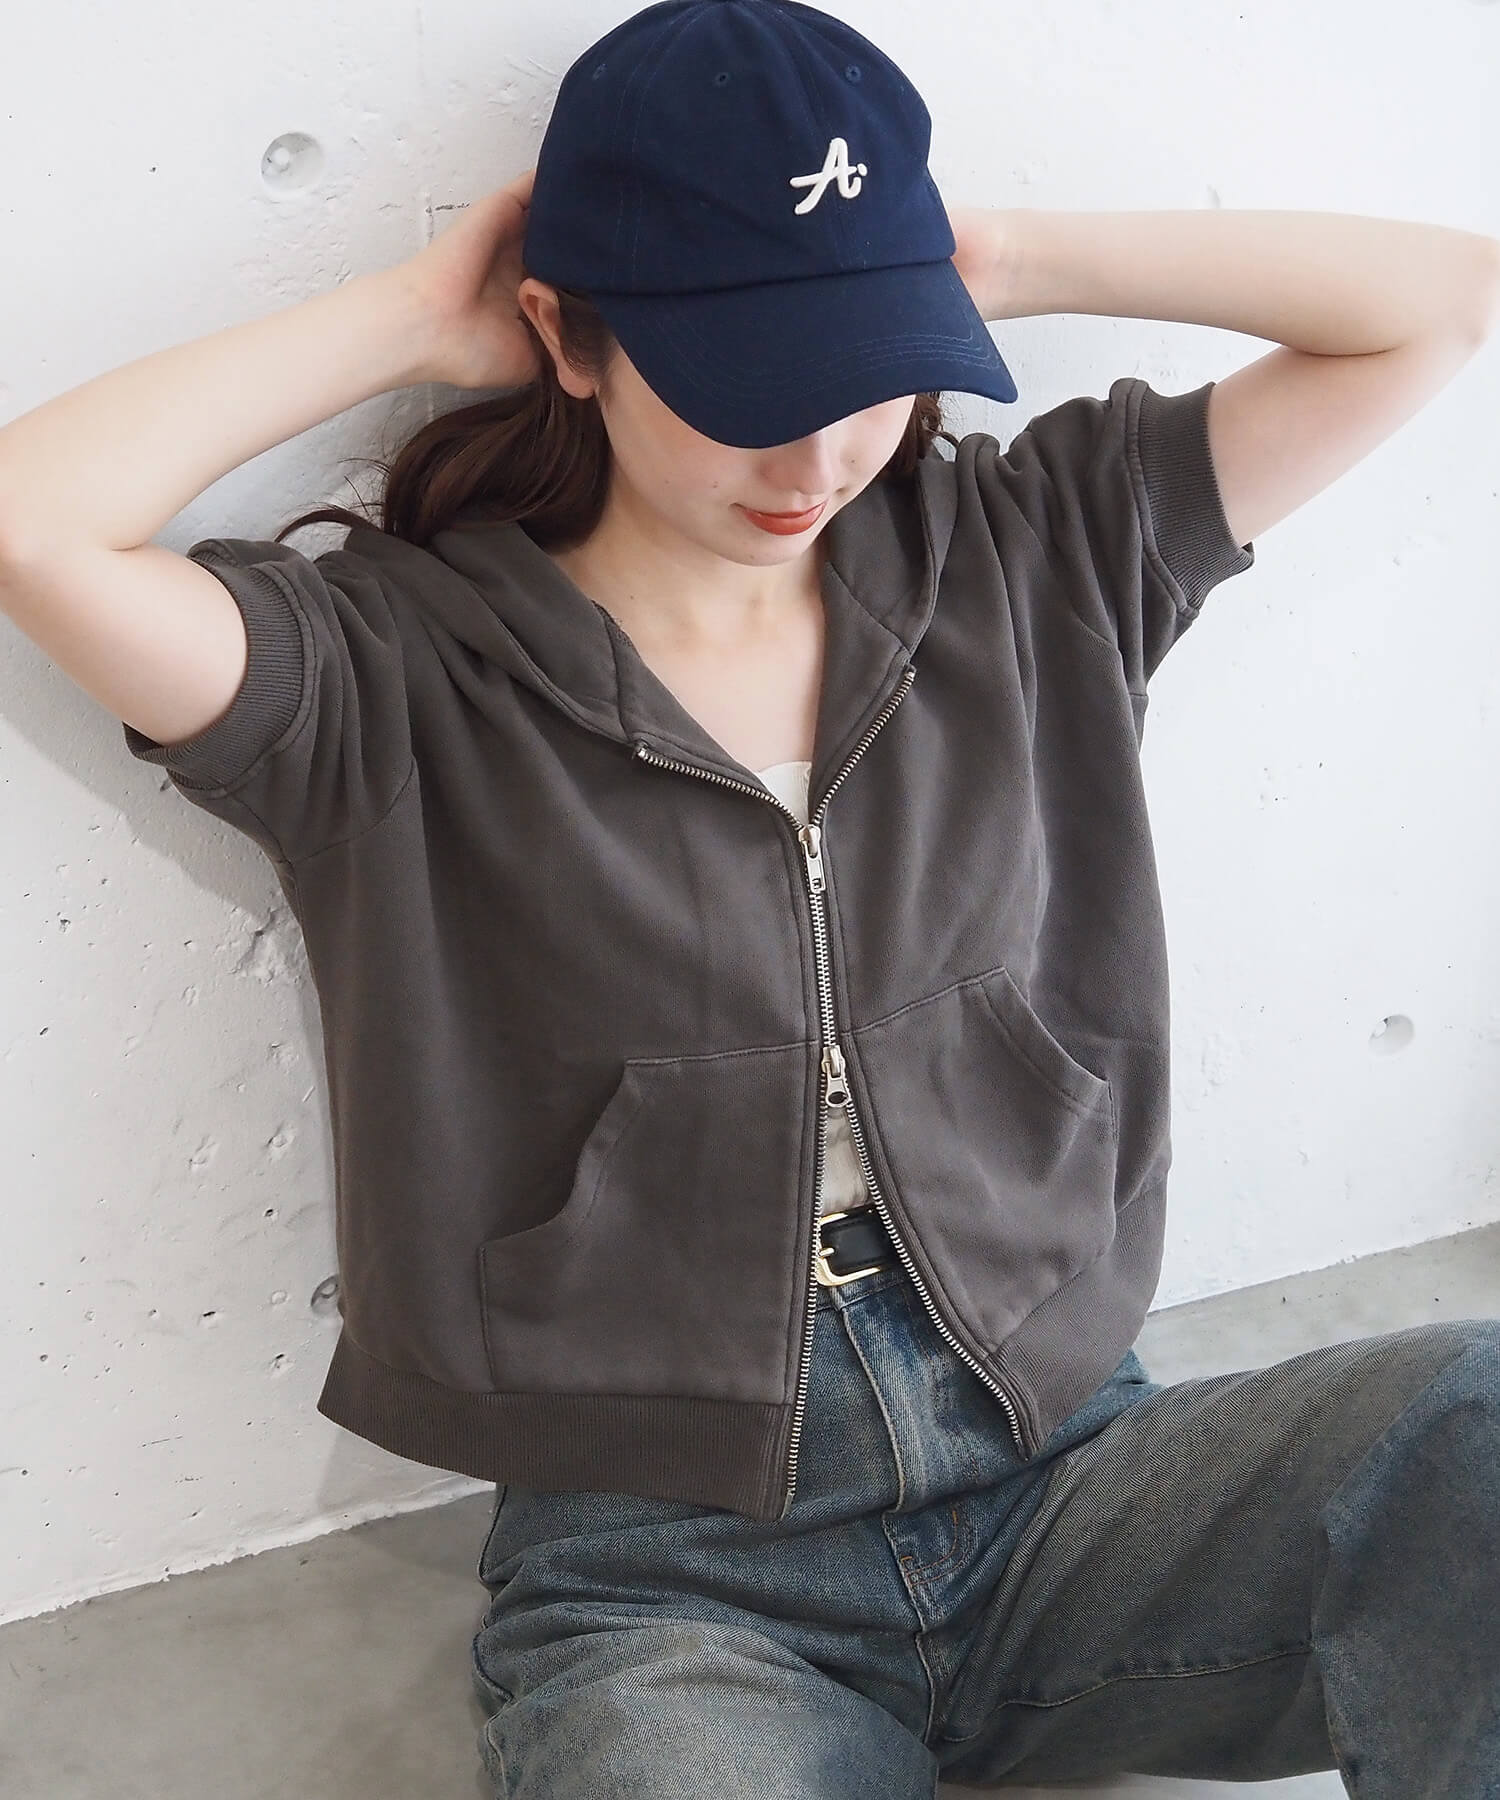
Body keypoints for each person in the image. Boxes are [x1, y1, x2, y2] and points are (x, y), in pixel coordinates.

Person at [1, 0, 1497, 1794]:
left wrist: (992, 260)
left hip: (1071, 1476)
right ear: (572, 337)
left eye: (868, 372)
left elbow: (1440, 298)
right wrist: (412, 316)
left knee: (1479, 1429)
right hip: (678, 1585)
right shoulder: (389, 678)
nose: (817, 460)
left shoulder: (1038, 555)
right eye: (746, 392)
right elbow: (32, 523)